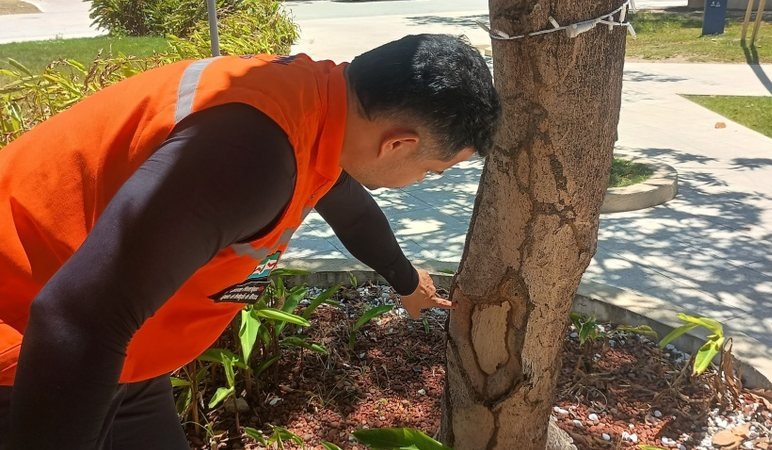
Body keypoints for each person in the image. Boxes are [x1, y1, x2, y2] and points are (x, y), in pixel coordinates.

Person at [0, 33, 500, 449]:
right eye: (433, 171)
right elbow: (76, 321)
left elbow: (349, 209)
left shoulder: (316, 105)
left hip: (124, 355)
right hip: (38, 353)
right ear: (399, 143)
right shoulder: (250, 158)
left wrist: (407, 281)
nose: (422, 182)